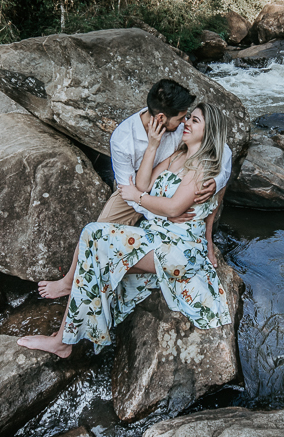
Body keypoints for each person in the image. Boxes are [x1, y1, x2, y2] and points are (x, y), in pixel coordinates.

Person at [17, 103, 232, 358]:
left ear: (209, 132)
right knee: (95, 243)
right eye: (188, 118)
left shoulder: (204, 168)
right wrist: (152, 146)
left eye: (195, 121)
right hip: (159, 236)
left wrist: (139, 199)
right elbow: (143, 183)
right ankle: (66, 335)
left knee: (95, 238)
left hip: (179, 248)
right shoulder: (177, 156)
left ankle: (63, 340)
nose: (187, 123)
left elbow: (174, 207)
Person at [97, 78, 232, 228]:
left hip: (172, 187)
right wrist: (163, 215)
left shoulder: (182, 128)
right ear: (161, 118)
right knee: (99, 230)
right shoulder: (122, 140)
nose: (184, 122)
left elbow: (222, 149)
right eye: (181, 118)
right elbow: (129, 190)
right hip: (134, 189)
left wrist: (217, 181)